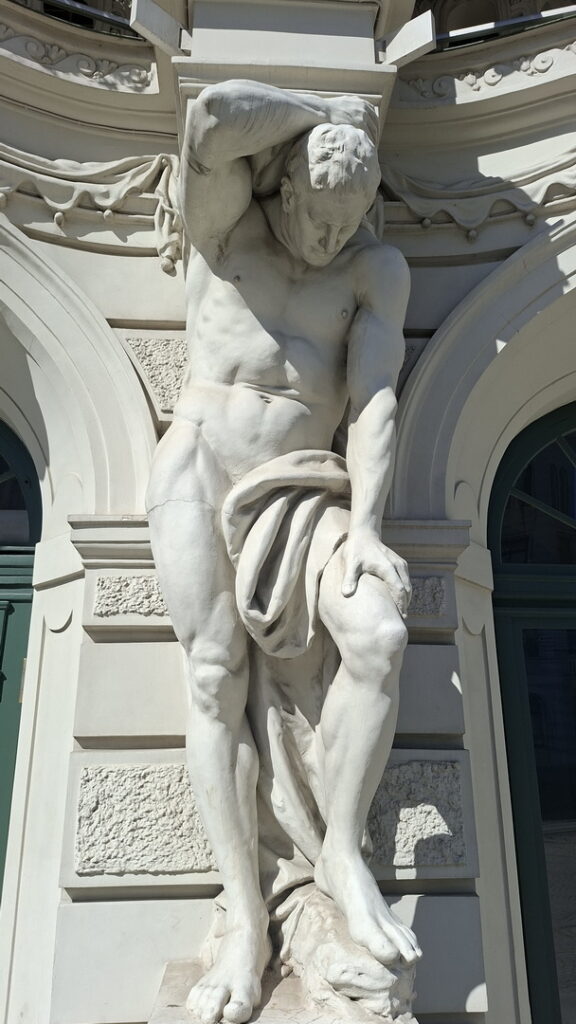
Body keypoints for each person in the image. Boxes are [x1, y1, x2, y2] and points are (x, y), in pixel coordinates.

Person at [146, 79, 421, 1024]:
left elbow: (375, 402)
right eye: (317, 219)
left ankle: (339, 850)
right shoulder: (226, 228)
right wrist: (331, 117)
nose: (330, 240)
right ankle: (248, 926)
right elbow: (213, 117)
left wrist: (369, 529)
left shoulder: (374, 270)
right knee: (214, 676)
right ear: (286, 187)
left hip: (307, 488)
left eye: (349, 224)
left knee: (379, 637)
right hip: (201, 465)